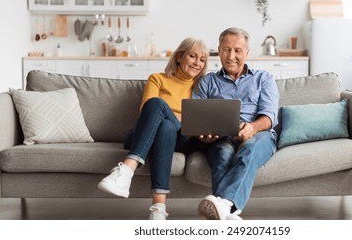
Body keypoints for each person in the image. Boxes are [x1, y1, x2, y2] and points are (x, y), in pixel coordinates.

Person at [97, 37, 208, 220]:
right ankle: (158, 209)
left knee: (163, 115)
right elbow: (147, 110)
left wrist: (176, 117)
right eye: (193, 56)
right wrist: (178, 116)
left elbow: (197, 120)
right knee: (163, 120)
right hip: (147, 132)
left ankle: (126, 170)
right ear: (179, 57)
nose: (197, 63)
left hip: (182, 138)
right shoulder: (157, 78)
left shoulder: (201, 88)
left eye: (202, 60)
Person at [192, 27, 280, 220]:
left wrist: (252, 127)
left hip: (259, 135)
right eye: (226, 49)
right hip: (222, 137)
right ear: (219, 50)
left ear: (247, 53)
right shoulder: (207, 82)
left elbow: (270, 116)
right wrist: (202, 134)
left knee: (248, 150)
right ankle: (230, 213)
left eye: (238, 50)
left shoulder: (263, 78)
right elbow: (196, 118)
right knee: (222, 155)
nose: (231, 56)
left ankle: (224, 204)